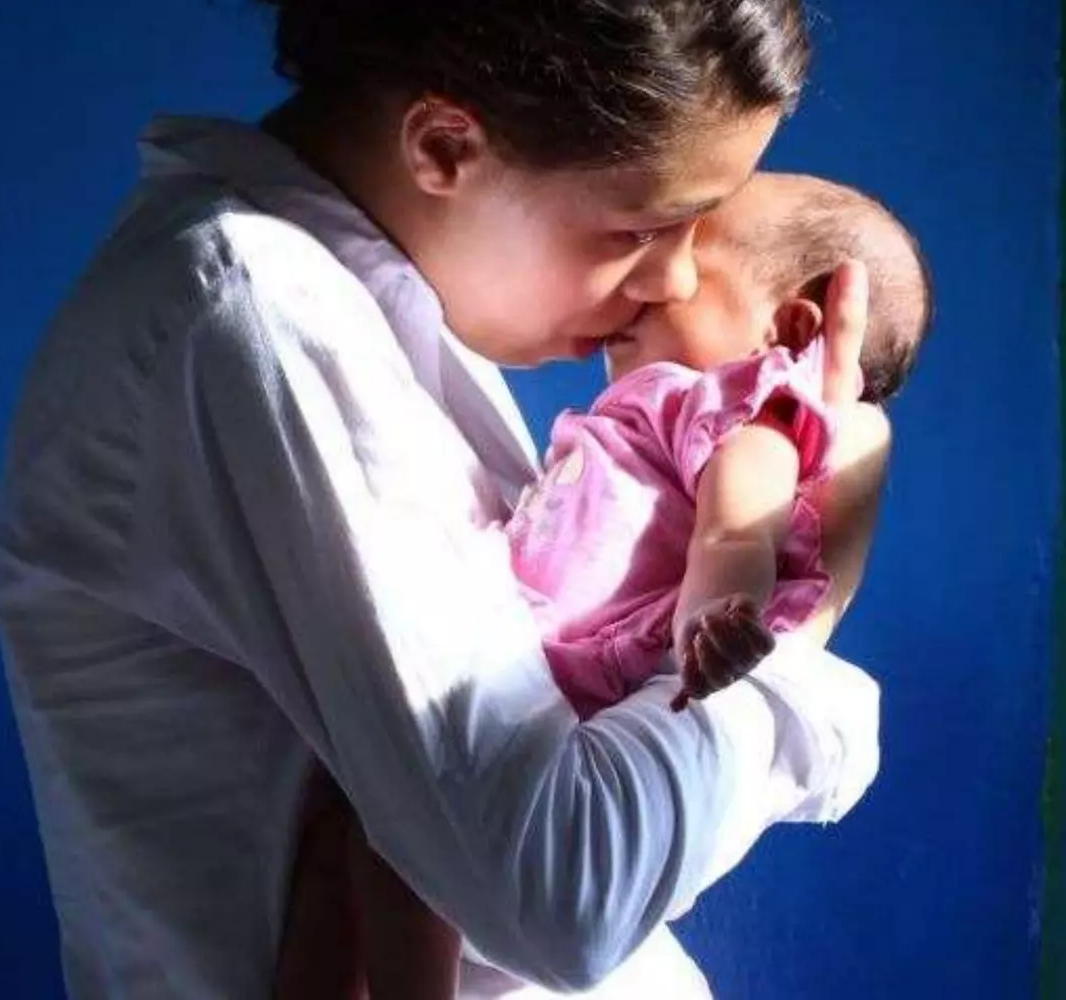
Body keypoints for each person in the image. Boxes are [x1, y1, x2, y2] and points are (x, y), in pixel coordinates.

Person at [0, 0, 894, 995]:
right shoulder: (260, 324)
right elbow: (560, 894)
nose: (672, 284)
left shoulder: (378, 317)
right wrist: (802, 627)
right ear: (443, 148)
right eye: (638, 228)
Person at [275, 174, 932, 997]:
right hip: (537, 662)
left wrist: (717, 616)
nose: (650, 275)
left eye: (689, 251)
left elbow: (739, 528)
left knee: (387, 850)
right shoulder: (652, 407)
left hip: (585, 677)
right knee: (359, 839)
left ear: (788, 327)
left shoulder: (743, 408)